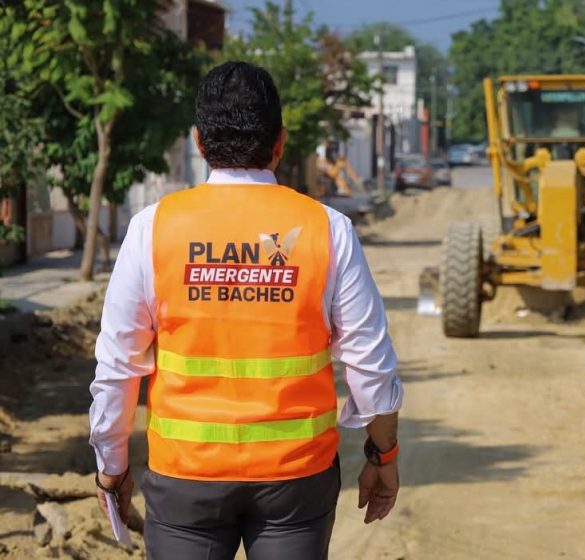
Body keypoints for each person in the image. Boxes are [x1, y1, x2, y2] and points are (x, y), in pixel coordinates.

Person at [89, 61, 403, 559]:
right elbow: (370, 362)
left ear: (199, 142)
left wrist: (112, 463)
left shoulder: (153, 228)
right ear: (279, 143)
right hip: (296, 479)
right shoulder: (328, 229)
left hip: (185, 477)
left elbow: (117, 364)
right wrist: (383, 454)